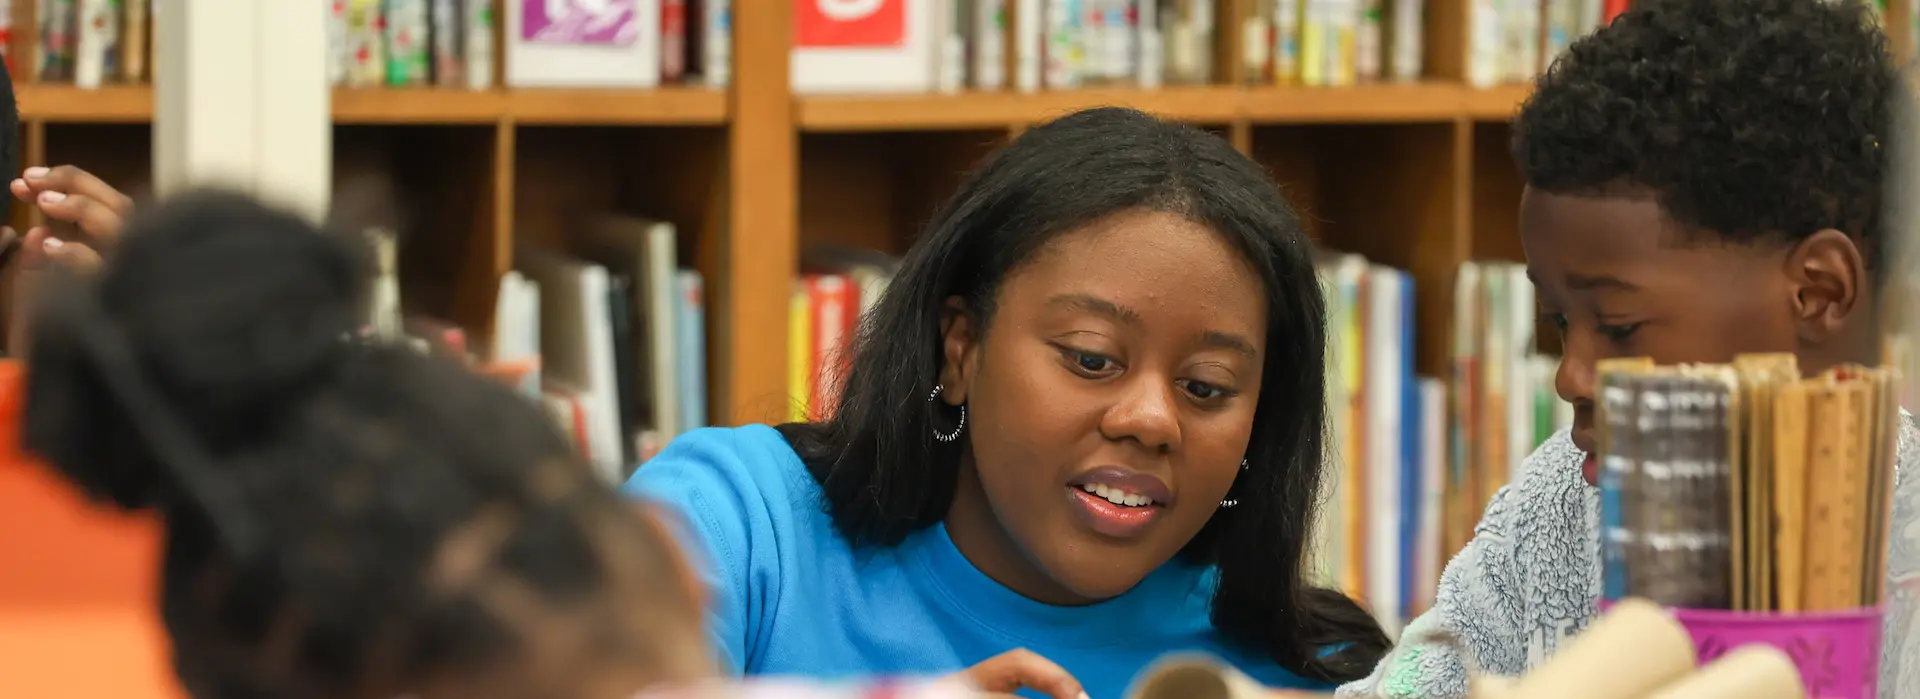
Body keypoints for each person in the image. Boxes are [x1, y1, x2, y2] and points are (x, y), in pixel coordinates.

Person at [624, 106, 1390, 699]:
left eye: (1206, 388)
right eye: (1091, 358)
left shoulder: (1308, 672)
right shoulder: (737, 527)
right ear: (960, 348)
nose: (1152, 420)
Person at [1337, 0, 1919, 697]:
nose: (1571, 375)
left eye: (1619, 325)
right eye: (1558, 323)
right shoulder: (1553, 506)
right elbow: (1417, 675)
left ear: (1818, 294)